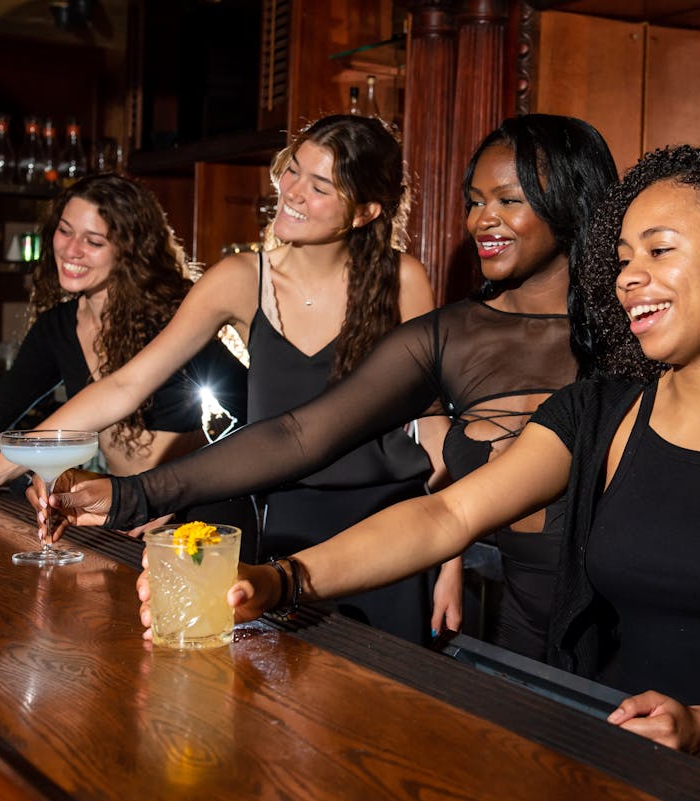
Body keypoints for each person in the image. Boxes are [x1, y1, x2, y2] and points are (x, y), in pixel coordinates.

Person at [145, 145, 700, 800]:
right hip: (626, 768)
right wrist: (282, 580)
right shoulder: (601, 412)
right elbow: (445, 516)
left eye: (659, 251)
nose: (628, 278)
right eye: (621, 260)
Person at [47, 114, 618, 656]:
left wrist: (446, 568)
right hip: (503, 615)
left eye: (508, 201)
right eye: (474, 202)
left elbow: (438, 468)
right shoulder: (454, 333)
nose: (479, 220)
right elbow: (299, 435)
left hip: (614, 628)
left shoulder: (630, 341)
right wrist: (129, 494)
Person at [0, 114, 445, 644]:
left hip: (387, 531)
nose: (291, 192)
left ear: (366, 211)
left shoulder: (402, 279)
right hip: (276, 531)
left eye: (319, 187)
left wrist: (446, 553)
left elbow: (429, 421)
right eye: (292, 171)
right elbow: (124, 385)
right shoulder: (242, 279)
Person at [0, 173, 247, 487]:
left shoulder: (171, 316)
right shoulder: (59, 327)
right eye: (65, 230)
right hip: (125, 510)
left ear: (129, 250)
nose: (71, 251)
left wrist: (183, 484)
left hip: (192, 511)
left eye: (93, 241)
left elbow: (250, 408)